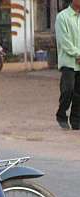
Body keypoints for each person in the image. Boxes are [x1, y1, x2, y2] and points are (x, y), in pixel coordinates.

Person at [55, 0, 80, 130]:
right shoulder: (62, 17)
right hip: (68, 62)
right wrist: (78, 55)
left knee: (78, 93)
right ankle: (61, 115)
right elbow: (64, 40)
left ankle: (76, 121)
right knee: (68, 90)